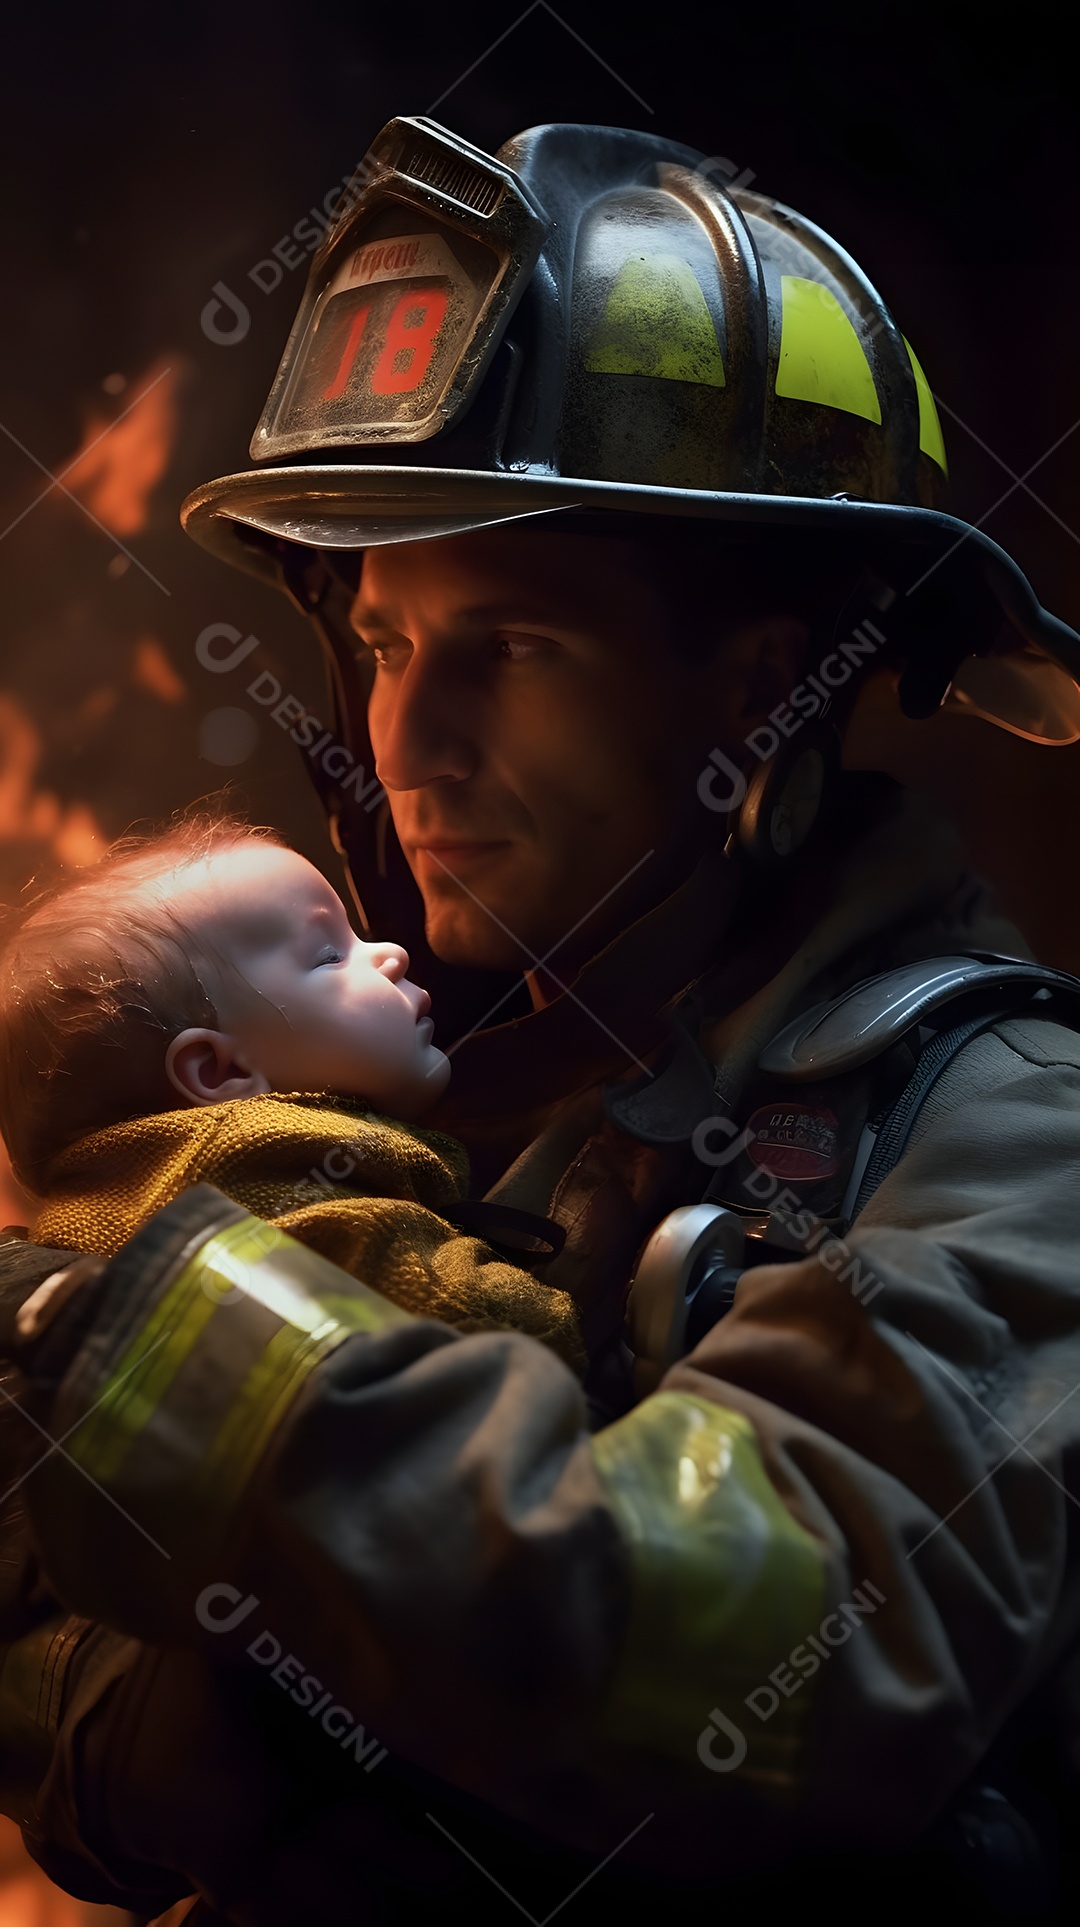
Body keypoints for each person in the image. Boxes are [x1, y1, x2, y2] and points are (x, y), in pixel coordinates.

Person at [3, 111, 1080, 1924]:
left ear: (754, 684)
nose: (406, 745)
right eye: (391, 641)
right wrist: (137, 1736)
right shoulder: (437, 1086)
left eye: (511, 644)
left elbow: (771, 1648)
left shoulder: (1008, 1127)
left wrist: (126, 1331)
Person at [0, 813, 581, 1363]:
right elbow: (483, 1321)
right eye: (330, 956)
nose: (391, 955)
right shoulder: (270, 1165)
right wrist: (564, 1309)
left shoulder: (127, 1197)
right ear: (220, 1072)